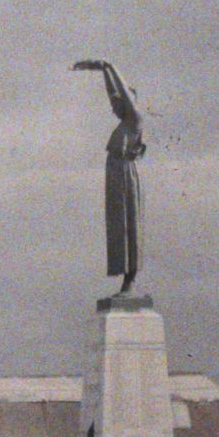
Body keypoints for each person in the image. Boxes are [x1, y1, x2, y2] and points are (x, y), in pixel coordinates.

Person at [73, 59, 144, 293]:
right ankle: (124, 277)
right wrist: (103, 72)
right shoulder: (124, 122)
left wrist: (111, 65)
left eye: (119, 103)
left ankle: (130, 280)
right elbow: (114, 94)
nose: (114, 106)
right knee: (116, 224)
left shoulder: (135, 120)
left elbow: (122, 92)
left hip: (125, 172)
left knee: (128, 223)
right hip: (114, 171)